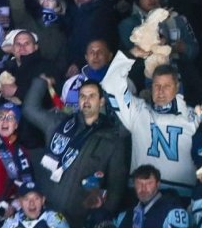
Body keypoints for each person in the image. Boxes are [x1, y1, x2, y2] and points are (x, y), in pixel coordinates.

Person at [101, 58, 202, 198]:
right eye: (157, 86)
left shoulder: (195, 117)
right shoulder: (138, 111)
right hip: (140, 195)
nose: (161, 91)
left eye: (167, 86)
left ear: (177, 87)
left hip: (182, 198)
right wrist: (131, 55)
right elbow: (111, 84)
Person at [21, 78, 125, 226]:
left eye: (92, 96)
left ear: (101, 101)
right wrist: (41, 82)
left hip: (78, 219)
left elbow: (116, 187)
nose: (86, 100)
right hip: (45, 214)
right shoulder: (59, 123)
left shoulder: (112, 139)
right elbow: (30, 109)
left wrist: (101, 216)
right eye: (82, 96)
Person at [113, 165, 190, 228]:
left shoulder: (173, 211)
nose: (143, 188)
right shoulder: (126, 214)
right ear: (134, 185)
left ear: (158, 184)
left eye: (149, 183)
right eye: (139, 183)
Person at [0, 182, 68, 228]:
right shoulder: (12, 221)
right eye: (26, 199)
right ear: (20, 202)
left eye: (36, 198)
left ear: (43, 200)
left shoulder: (56, 218)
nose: (31, 203)